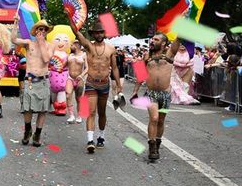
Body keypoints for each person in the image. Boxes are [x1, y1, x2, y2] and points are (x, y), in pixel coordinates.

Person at [70, 16, 124, 153]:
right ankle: (90, 140)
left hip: (104, 84)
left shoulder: (111, 49)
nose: (99, 34)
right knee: (91, 111)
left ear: (104, 33)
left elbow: (115, 68)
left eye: (101, 32)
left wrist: (118, 86)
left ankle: (101, 136)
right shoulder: (89, 46)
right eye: (97, 32)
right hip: (91, 84)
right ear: (93, 34)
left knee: (102, 112)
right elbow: (76, 32)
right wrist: (69, 16)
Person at [129, 32, 180, 161]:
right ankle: (152, 147)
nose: (152, 41)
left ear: (163, 43)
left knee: (161, 121)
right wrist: (135, 91)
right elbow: (141, 75)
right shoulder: (147, 56)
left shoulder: (169, 54)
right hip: (151, 94)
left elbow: (180, 38)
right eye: (152, 39)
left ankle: (157, 143)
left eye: (156, 39)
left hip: (165, 95)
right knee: (154, 118)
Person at [11, 20, 56, 147]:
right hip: (30, 80)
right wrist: (15, 24)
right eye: (39, 29)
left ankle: (37, 134)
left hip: (43, 81)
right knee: (27, 108)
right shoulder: (28, 43)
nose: (42, 31)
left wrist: (41, 43)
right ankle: (27, 130)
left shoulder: (50, 45)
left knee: (43, 109)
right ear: (35, 31)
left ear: (47, 32)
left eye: (44, 29)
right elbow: (14, 39)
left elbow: (46, 59)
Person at [65, 40, 87, 124]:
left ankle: (79, 115)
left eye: (72, 45)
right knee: (68, 96)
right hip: (70, 78)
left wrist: (81, 75)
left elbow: (87, 68)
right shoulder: (69, 55)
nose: (70, 47)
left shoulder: (84, 55)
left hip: (79, 79)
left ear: (77, 45)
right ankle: (71, 115)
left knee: (79, 99)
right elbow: (64, 65)